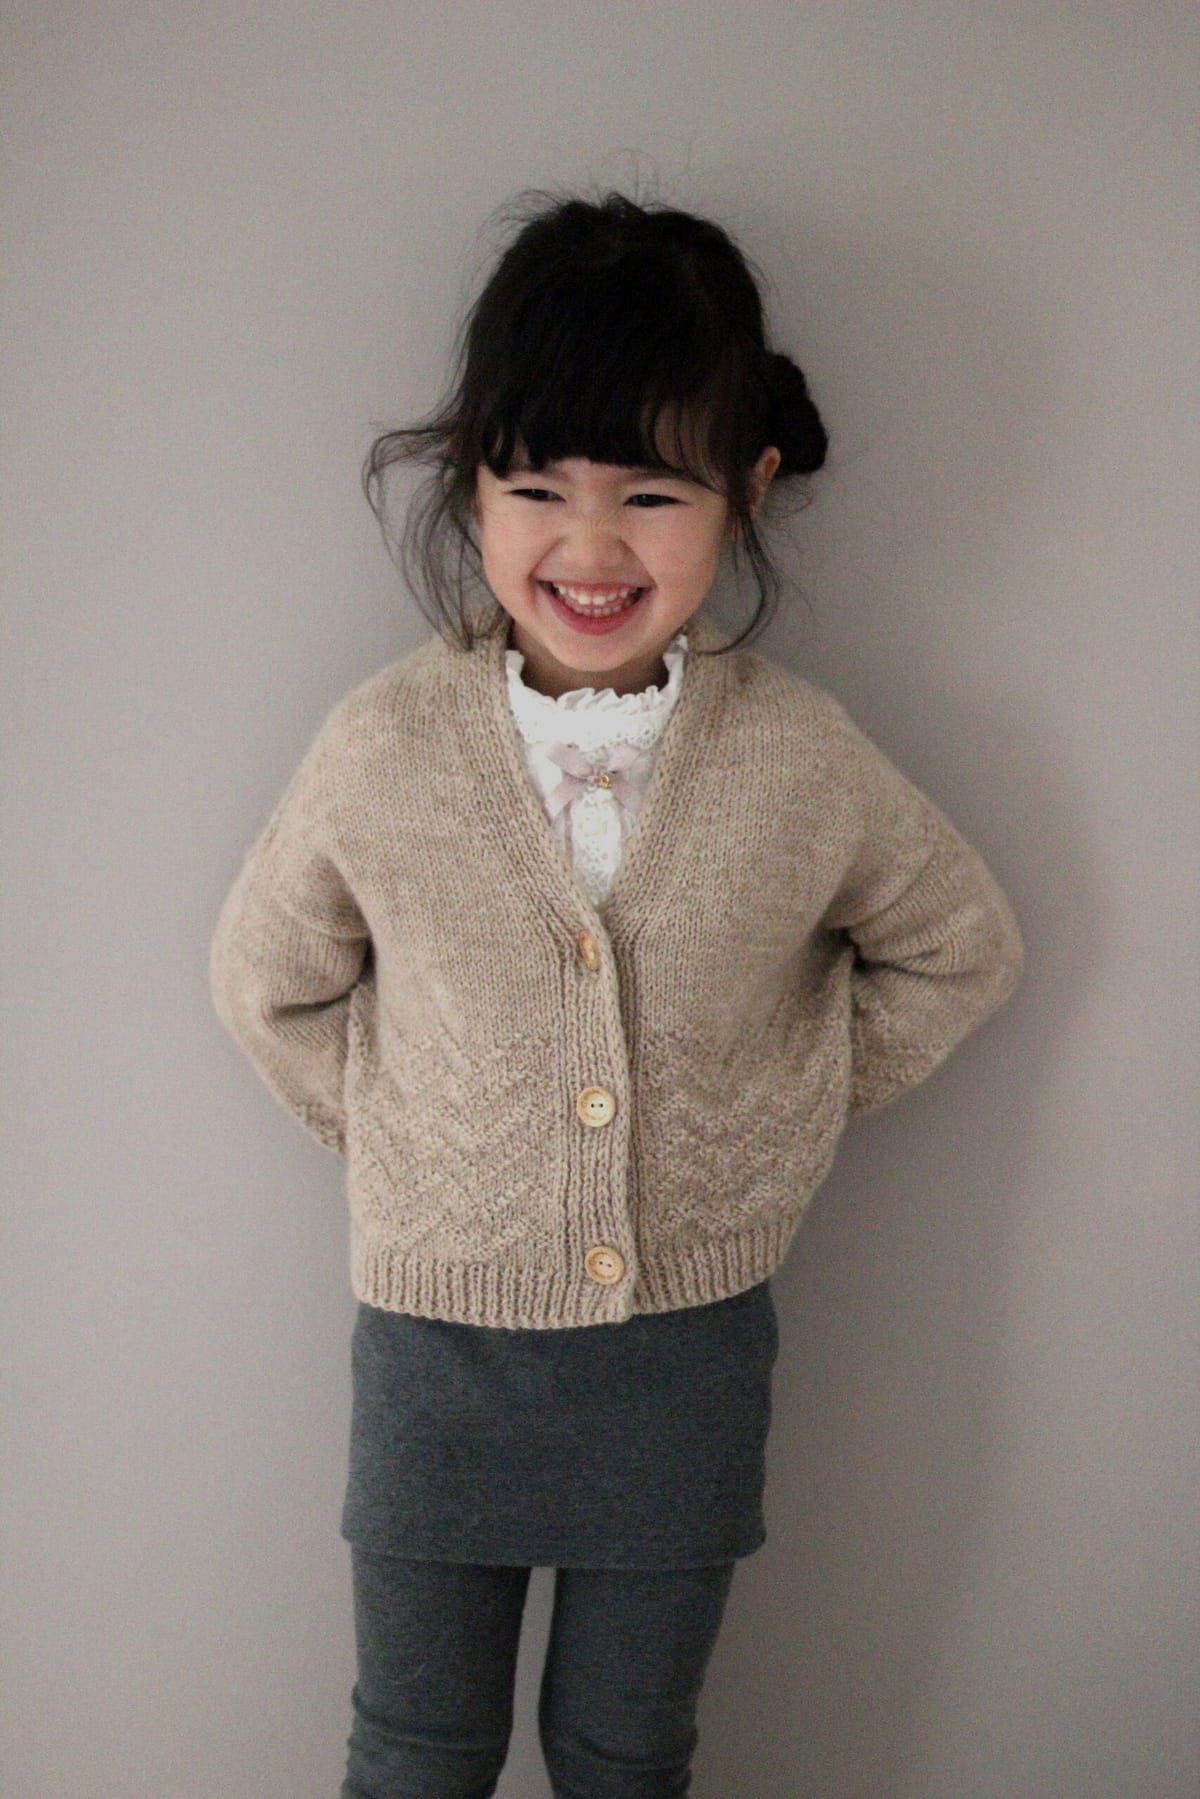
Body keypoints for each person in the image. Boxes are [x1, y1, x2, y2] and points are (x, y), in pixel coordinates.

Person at [209, 187, 1024, 1799]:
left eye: (651, 493)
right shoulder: (383, 748)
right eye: (537, 490)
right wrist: (423, 1148)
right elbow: (266, 984)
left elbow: (961, 946)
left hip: (685, 1369)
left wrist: (767, 1116)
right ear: (472, 486)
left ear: (748, 490)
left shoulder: (799, 757)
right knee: (415, 1751)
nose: (591, 549)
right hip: (437, 1365)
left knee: (627, 1751)